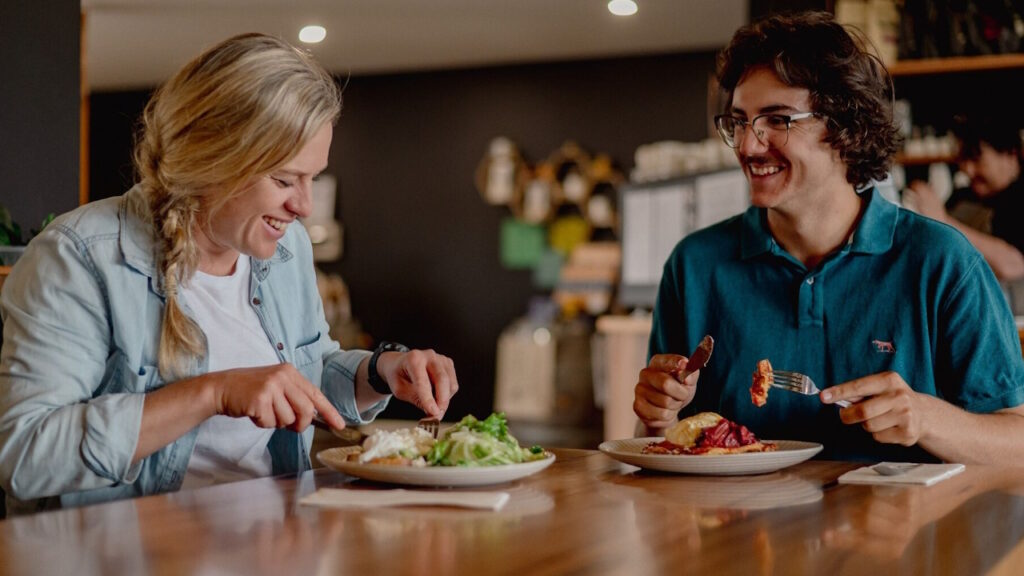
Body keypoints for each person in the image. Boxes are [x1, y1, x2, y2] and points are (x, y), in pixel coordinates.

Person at [0, 33, 458, 514]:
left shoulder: (286, 249)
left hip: (274, 544)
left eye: (312, 179)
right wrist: (213, 392)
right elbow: (24, 455)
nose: (303, 206)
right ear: (213, 160)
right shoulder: (78, 257)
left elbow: (307, 370)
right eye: (283, 180)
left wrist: (382, 372)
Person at [633, 12, 1024, 463]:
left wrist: (926, 417)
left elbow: (1015, 438)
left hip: (901, 532)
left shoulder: (940, 261)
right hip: (735, 530)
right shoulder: (694, 266)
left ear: (844, 129)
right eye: (739, 121)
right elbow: (657, 440)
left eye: (777, 120)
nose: (747, 145)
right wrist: (657, 417)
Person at [904, 117, 1024, 282]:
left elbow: (1013, 266)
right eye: (963, 158)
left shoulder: (1017, 200)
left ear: (1010, 155)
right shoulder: (964, 197)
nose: (967, 169)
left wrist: (943, 220)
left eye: (975, 158)